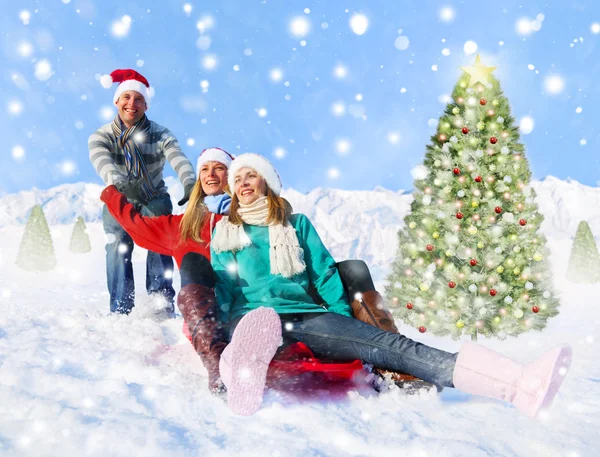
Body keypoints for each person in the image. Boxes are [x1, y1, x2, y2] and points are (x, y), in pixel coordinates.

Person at [210, 153, 573, 417]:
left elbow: (323, 274)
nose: (242, 183)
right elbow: (223, 286)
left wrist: (343, 320)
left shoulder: (296, 224)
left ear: (266, 184)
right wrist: (223, 326)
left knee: (392, 344)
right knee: (255, 324)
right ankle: (239, 364)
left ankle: (518, 384)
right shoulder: (225, 233)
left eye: (251, 176)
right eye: (238, 178)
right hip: (249, 317)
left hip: (305, 316)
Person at [99, 152, 228, 393]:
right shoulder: (184, 226)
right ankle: (219, 367)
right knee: (192, 262)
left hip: (250, 308)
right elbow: (138, 226)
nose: (211, 174)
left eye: (219, 168)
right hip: (207, 318)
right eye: (204, 170)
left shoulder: (251, 220)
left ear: (233, 176)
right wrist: (112, 193)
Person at [89, 69, 196, 315]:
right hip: (118, 195)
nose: (131, 104)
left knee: (159, 233)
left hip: (153, 196)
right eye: (126, 97)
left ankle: (160, 302)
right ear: (116, 101)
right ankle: (120, 306)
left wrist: (189, 181)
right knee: (117, 242)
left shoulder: (161, 134)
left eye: (138, 99)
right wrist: (119, 183)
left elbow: (177, 157)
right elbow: (102, 162)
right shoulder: (101, 136)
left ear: (146, 105)